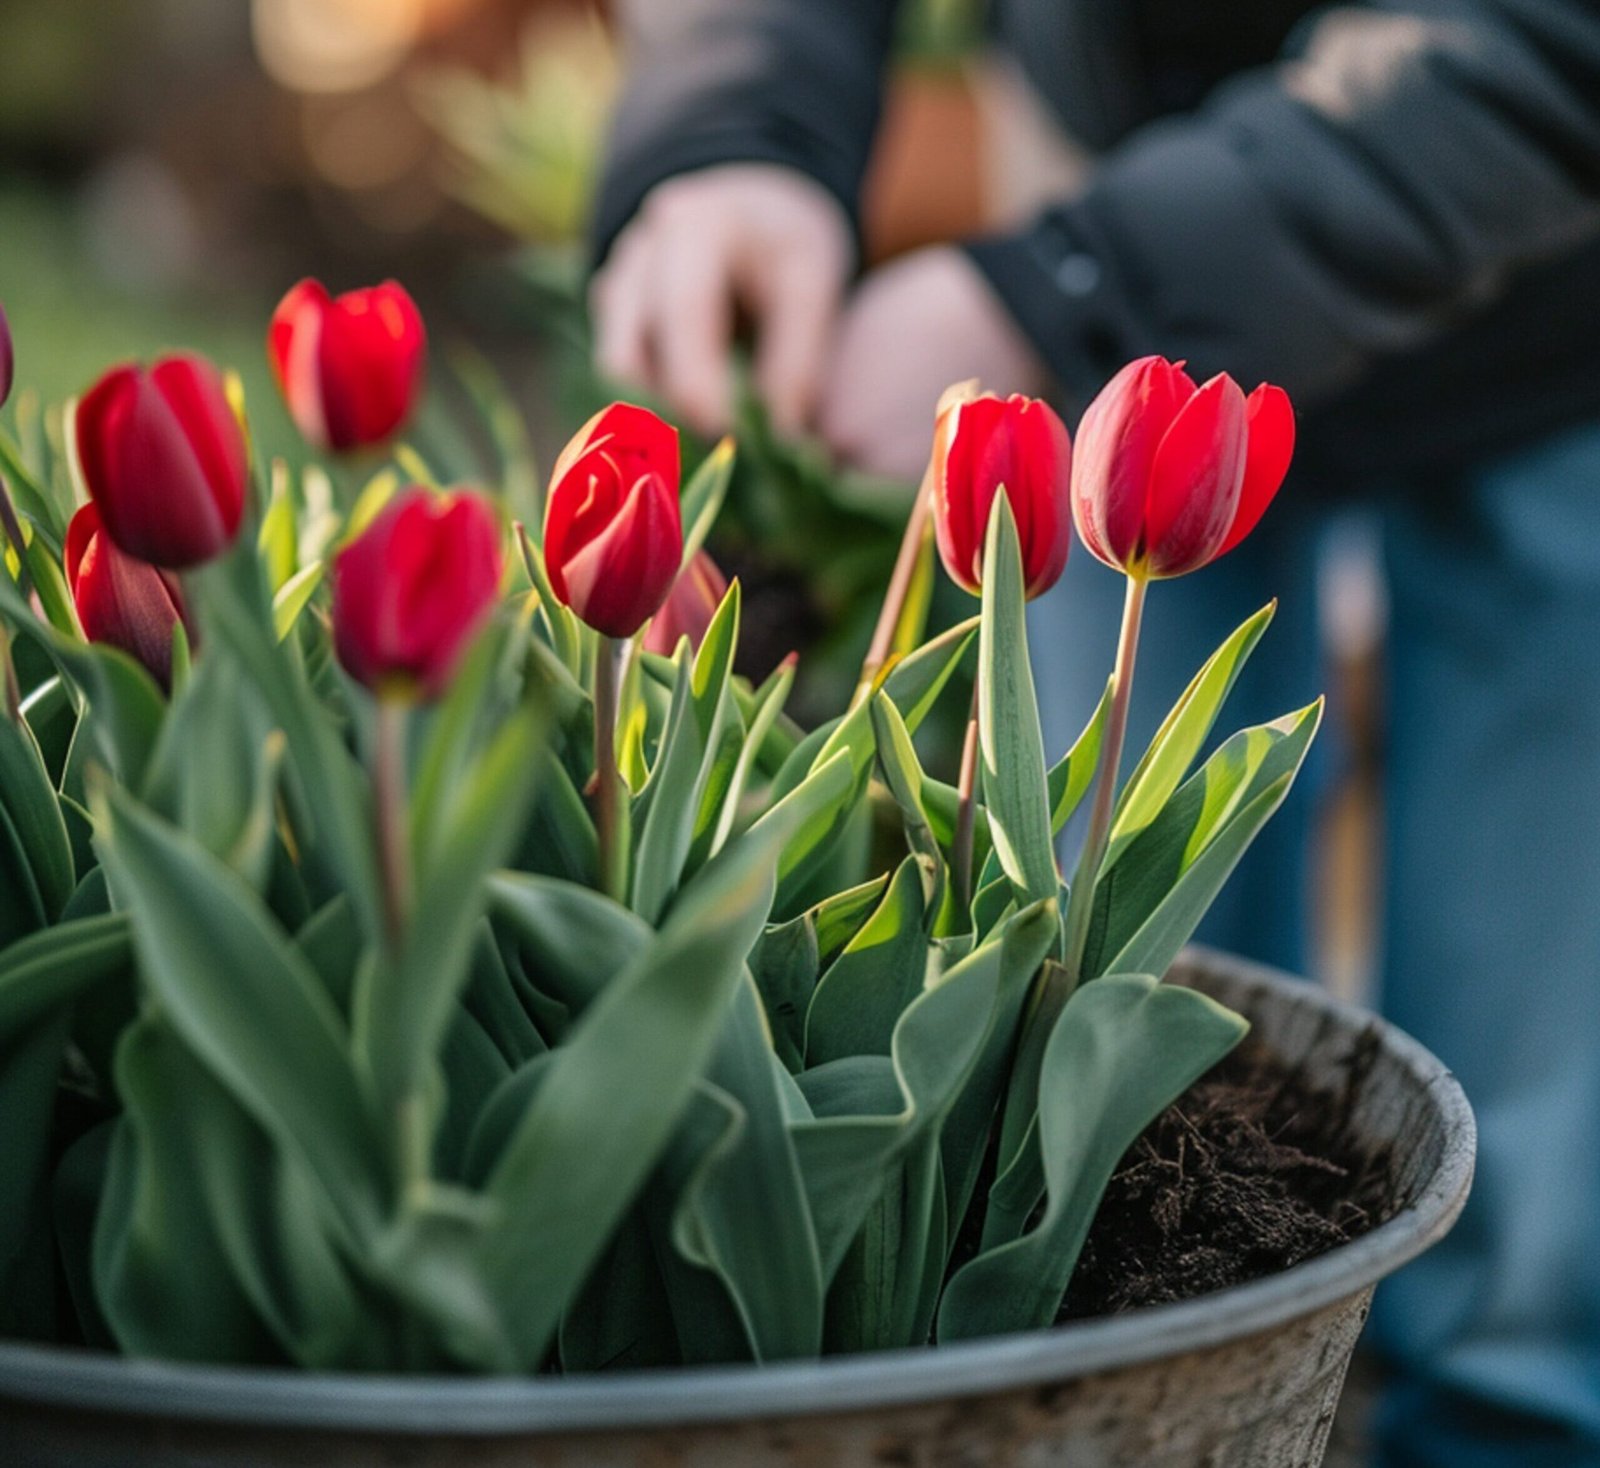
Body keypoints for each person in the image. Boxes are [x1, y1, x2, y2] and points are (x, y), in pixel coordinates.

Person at [586, 4, 1600, 1465]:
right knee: (1108, 1033)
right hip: (1109, 172)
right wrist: (735, 130)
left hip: (1541, 266)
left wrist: (1065, 286)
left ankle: (1502, 1427)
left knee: (1526, 1140)